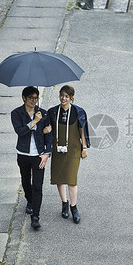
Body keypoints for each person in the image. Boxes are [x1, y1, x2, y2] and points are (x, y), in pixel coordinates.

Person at [46, 85, 90, 224]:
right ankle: (64, 203)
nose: (63, 98)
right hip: (57, 148)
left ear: (71, 97)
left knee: (71, 179)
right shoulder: (52, 112)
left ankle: (74, 207)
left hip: (73, 149)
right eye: (61, 95)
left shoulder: (78, 111)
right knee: (60, 178)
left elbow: (82, 130)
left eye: (66, 96)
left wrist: (84, 147)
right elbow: (47, 130)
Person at [11, 86, 52, 229]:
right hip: (23, 153)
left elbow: (49, 135)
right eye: (31, 98)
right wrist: (34, 122)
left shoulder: (44, 114)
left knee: (38, 186)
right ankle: (29, 200)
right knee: (26, 181)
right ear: (24, 98)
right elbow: (20, 131)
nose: (34, 101)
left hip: (39, 155)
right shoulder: (16, 113)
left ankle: (35, 216)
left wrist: (47, 153)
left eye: (36, 98)